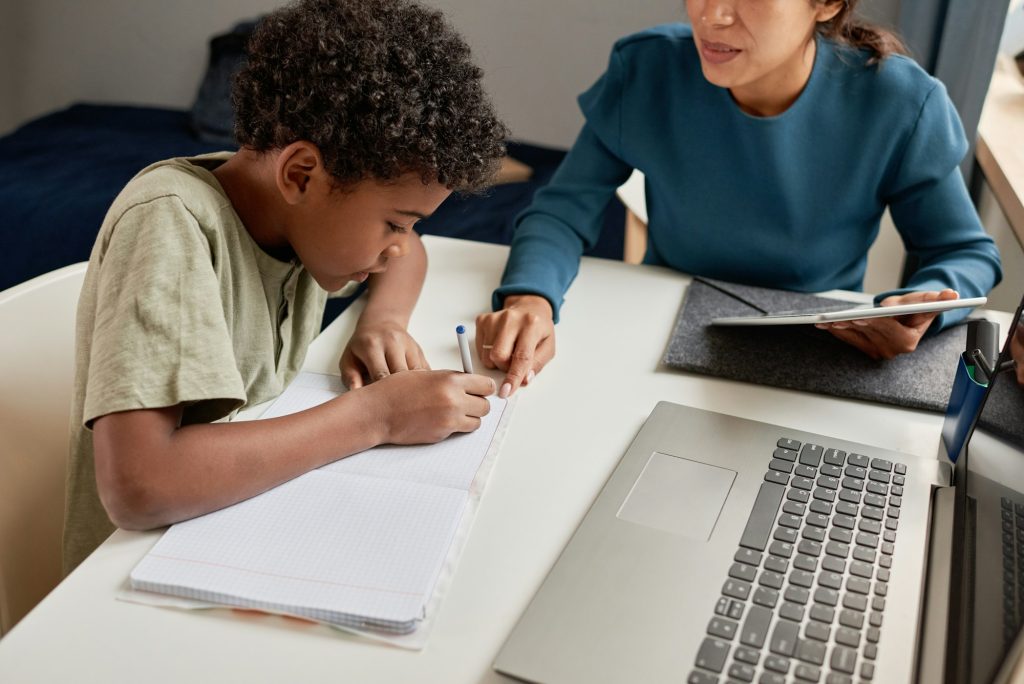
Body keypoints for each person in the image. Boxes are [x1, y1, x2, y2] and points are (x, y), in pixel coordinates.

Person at [62, 0, 508, 574]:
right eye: (395, 222)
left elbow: (409, 257)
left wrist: (383, 324)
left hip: (231, 531)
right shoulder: (173, 222)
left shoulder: (292, 214)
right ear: (300, 173)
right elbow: (140, 486)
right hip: (125, 578)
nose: (398, 244)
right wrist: (376, 416)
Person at [476, 0, 1002, 399]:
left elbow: (963, 254)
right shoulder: (648, 69)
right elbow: (562, 211)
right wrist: (531, 299)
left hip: (819, 359)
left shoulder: (901, 101)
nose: (713, 15)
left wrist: (927, 306)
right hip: (659, 339)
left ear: (826, 4)